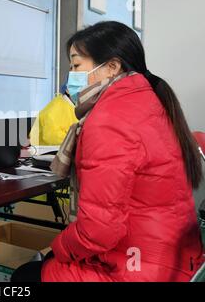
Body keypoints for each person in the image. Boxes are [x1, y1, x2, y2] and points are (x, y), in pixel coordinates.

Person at [12, 21, 204, 282]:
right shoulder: (152, 103)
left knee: (26, 276)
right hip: (177, 257)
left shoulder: (109, 119)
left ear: (112, 67)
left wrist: (57, 247)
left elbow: (98, 232)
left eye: (77, 65)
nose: (72, 75)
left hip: (137, 267)